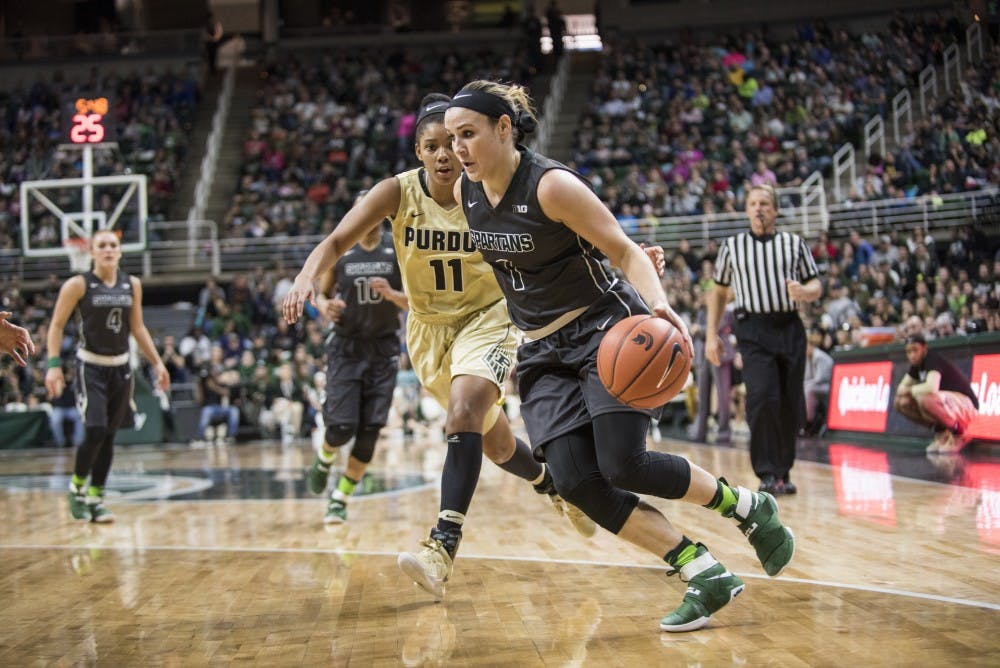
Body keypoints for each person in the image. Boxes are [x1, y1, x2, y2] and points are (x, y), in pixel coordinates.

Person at [443, 80, 795, 632]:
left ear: (504, 128)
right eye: (451, 137)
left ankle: (746, 507)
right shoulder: (467, 193)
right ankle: (703, 571)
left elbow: (625, 249)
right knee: (575, 481)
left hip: (604, 332)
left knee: (623, 462)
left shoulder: (552, 185)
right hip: (540, 348)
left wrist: (658, 305)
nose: (458, 148)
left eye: (468, 134)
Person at [282, 94, 597, 587]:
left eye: (452, 142)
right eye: (432, 146)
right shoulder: (396, 193)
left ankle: (441, 546)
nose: (445, 154)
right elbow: (338, 240)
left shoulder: (486, 187)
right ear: (420, 154)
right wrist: (306, 276)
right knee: (491, 442)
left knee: (466, 408)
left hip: (489, 316)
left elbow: (551, 227)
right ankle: (552, 482)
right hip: (428, 329)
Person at [44, 229, 170, 523]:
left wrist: (157, 363)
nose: (109, 250)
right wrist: (53, 365)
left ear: (121, 251)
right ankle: (76, 489)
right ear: (91, 252)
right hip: (91, 366)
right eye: (102, 245)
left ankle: (96, 497)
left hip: (122, 367)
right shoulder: (78, 285)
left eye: (113, 245)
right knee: (96, 428)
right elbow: (56, 325)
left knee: (110, 435)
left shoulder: (132, 284)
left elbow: (137, 328)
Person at [706, 184, 822, 495]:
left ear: (776, 210)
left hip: (789, 327)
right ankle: (766, 472)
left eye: (765, 204)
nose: (759, 208)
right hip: (753, 330)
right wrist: (711, 335)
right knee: (762, 398)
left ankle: (784, 470)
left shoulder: (794, 244)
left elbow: (815, 284)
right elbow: (717, 292)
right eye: (753, 203)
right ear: (746, 210)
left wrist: (804, 292)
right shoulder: (732, 247)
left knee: (789, 401)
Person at [306, 217, 408, 524]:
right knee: (340, 428)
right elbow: (323, 295)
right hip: (347, 347)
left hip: (383, 349)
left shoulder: (398, 248)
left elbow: (417, 301)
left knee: (368, 434)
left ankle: (340, 499)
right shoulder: (342, 248)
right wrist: (324, 307)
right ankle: (325, 458)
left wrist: (392, 296)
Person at [894, 333, 978, 453]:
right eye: (908, 352)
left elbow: (931, 387)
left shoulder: (931, 359)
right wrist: (909, 391)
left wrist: (910, 390)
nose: (912, 355)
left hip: (967, 406)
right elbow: (900, 390)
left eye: (915, 350)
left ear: (924, 348)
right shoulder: (916, 366)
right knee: (901, 403)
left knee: (924, 398)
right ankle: (942, 432)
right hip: (950, 405)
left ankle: (960, 433)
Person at [690, 301, 734, 444]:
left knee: (723, 396)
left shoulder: (725, 308)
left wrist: (699, 329)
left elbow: (719, 327)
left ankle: (724, 432)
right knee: (702, 396)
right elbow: (695, 330)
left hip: (720, 353)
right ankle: (700, 431)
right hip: (703, 355)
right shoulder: (702, 310)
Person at [802, 331, 834, 436]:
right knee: (805, 387)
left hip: (830, 386)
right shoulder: (808, 358)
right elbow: (807, 377)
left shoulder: (820, 357)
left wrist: (806, 383)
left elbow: (820, 378)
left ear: (810, 346)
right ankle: (802, 419)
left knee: (809, 388)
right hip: (818, 385)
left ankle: (808, 420)